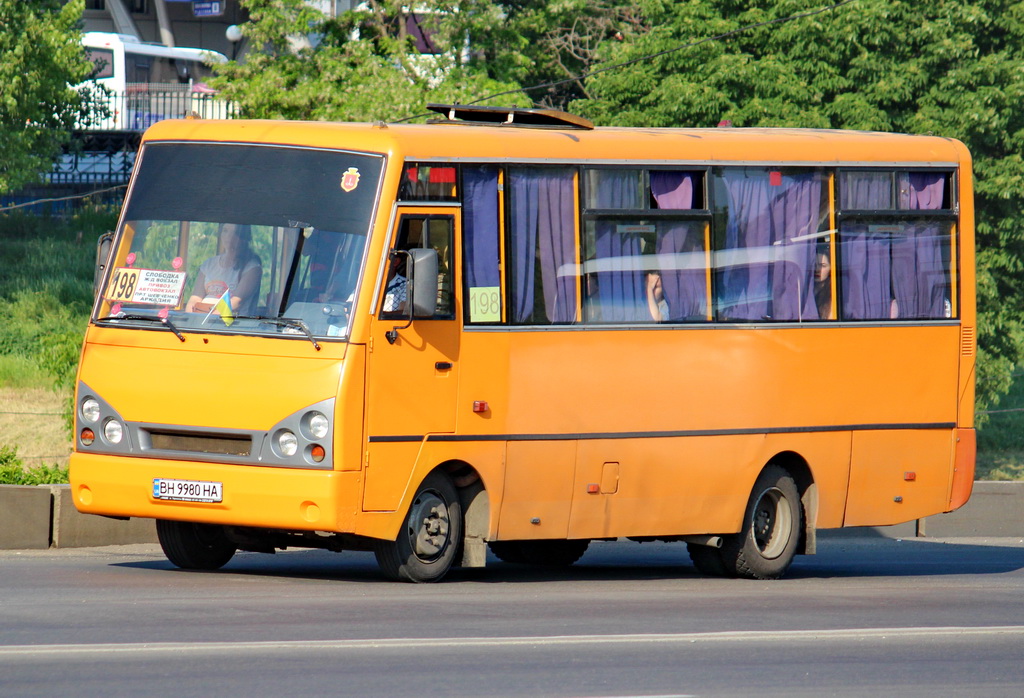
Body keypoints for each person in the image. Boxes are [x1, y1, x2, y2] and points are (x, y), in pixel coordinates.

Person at [186, 223, 262, 316]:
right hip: (200, 321)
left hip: (229, 325)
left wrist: (209, 320)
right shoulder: (208, 264)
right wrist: (189, 318)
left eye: (234, 232)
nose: (228, 237)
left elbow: (236, 302)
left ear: (243, 238)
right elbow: (195, 298)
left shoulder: (252, 268)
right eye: (225, 231)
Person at [813, 247, 832, 320]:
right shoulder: (804, 293)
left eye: (823, 265)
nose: (817, 269)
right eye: (814, 265)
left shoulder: (833, 295)